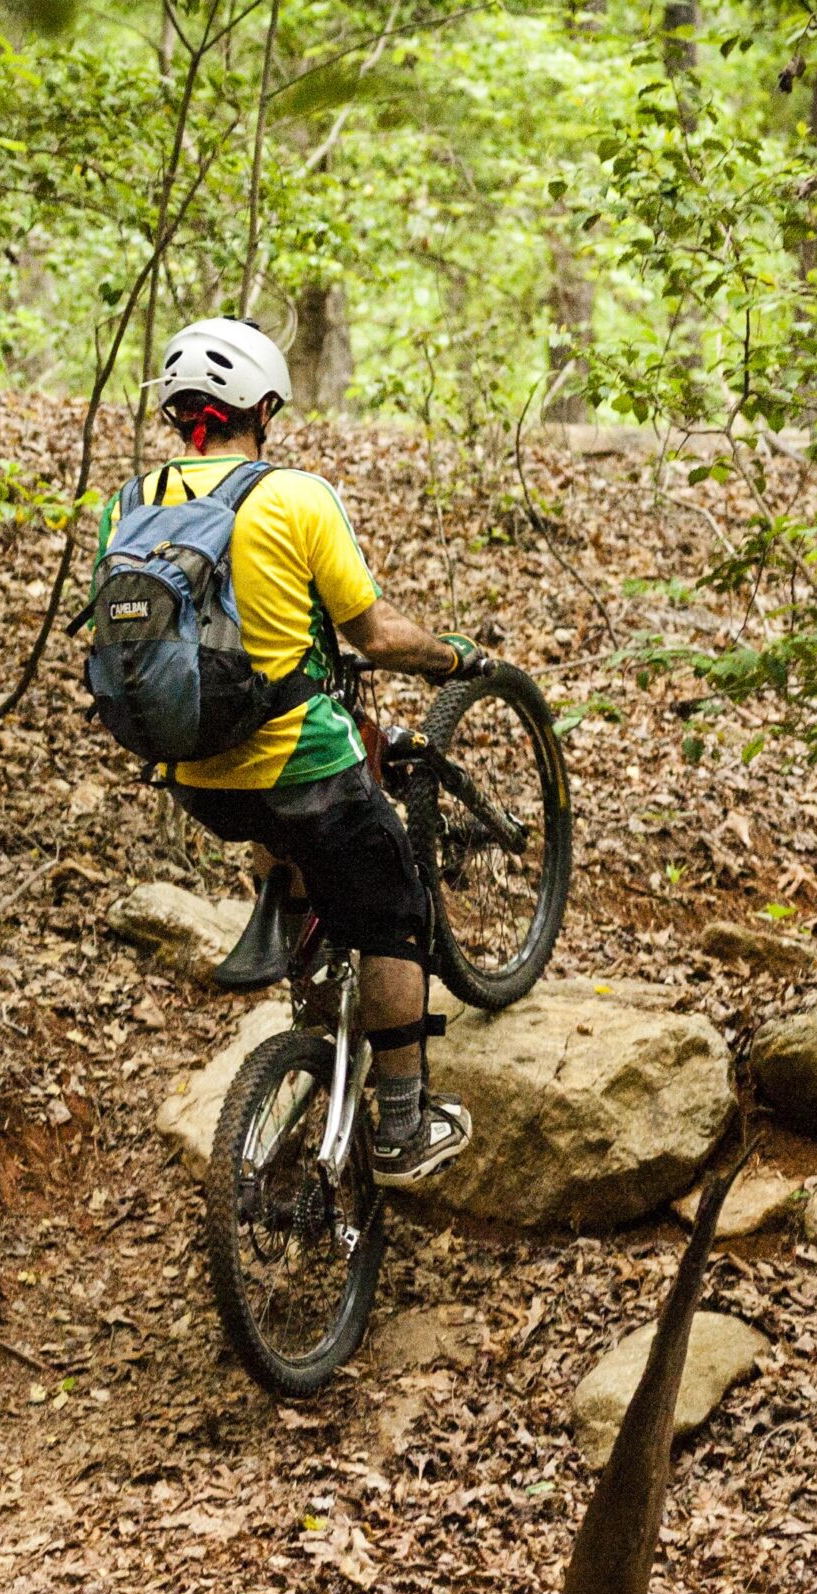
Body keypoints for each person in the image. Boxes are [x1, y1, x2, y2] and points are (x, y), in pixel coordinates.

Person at [100, 316, 488, 1186]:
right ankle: (400, 1126)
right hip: (296, 762)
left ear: (179, 412)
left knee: (293, 839)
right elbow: (376, 635)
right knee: (396, 911)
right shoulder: (295, 495)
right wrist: (454, 656)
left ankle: (307, 979)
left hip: (196, 773)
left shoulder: (125, 506)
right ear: (262, 407)